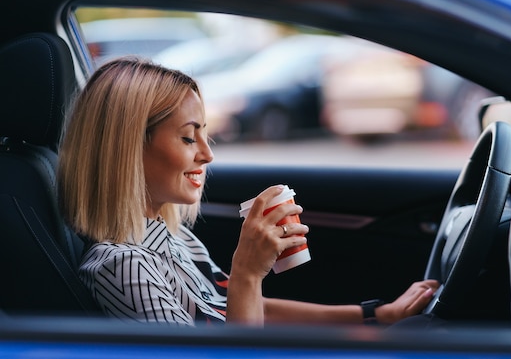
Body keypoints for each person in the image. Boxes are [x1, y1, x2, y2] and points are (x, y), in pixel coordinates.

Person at [57, 57, 439, 326]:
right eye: (189, 137)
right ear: (129, 147)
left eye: (205, 135)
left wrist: (377, 316)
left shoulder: (175, 240)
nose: (207, 154)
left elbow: (253, 311)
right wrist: (247, 272)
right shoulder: (123, 266)